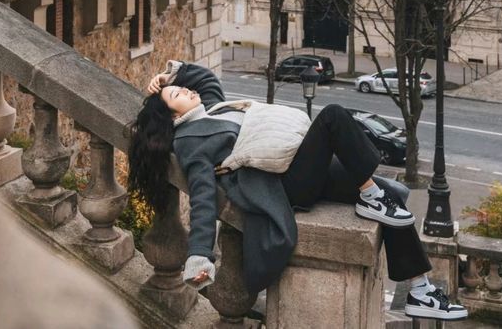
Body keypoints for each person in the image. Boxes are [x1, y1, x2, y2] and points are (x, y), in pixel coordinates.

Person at [128, 60, 468, 322]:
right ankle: (369, 194)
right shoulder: (191, 142)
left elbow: (203, 80)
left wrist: (168, 76)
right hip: (286, 184)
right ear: (172, 119)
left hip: (296, 164)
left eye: (182, 89)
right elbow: (202, 198)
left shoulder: (214, 108)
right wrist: (200, 254)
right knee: (333, 116)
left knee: (391, 197)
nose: (186, 91)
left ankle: (420, 290)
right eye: (177, 95)